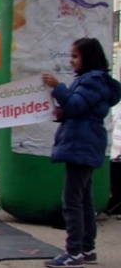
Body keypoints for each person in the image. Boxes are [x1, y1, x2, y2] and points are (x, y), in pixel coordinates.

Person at [42, 37, 121, 268]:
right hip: (85, 143)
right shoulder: (92, 81)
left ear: (88, 57)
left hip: (81, 144)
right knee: (84, 199)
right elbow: (79, 109)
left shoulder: (92, 81)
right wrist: (63, 113)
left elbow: (76, 106)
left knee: (72, 201)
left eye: (75, 56)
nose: (71, 61)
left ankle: (73, 252)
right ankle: (87, 249)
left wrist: (58, 87)